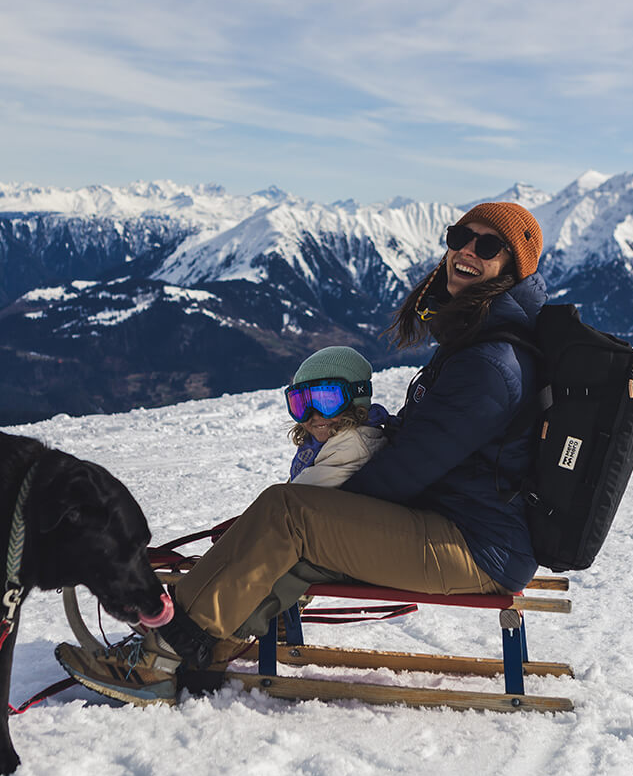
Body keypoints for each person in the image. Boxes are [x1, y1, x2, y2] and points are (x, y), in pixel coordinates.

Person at [56, 201, 548, 705]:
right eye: (459, 236)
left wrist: (327, 513)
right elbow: (430, 436)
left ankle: (165, 650)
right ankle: (204, 649)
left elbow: (407, 470)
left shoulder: (490, 363)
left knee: (288, 515)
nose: (466, 250)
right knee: (294, 532)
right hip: (458, 527)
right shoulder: (477, 338)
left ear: (513, 265)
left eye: (487, 245)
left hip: (476, 547)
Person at [286, 346, 390, 488]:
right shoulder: (323, 442)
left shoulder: (351, 447)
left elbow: (292, 499)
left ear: (356, 400)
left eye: (328, 402)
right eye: (302, 405)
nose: (314, 415)